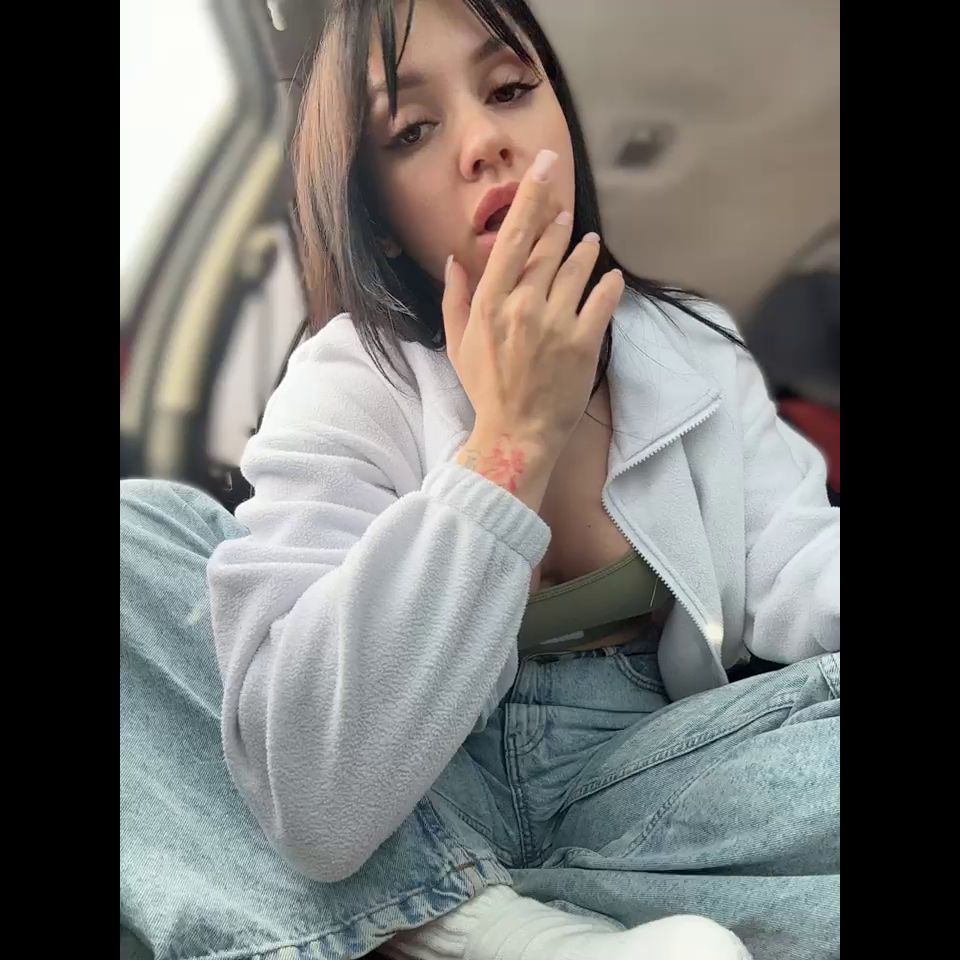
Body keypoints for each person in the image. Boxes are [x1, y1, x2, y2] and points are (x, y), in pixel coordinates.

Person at [120, 1, 839, 957]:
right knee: (138, 537)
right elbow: (317, 798)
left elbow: (803, 566)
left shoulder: (693, 347)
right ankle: (482, 925)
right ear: (380, 223)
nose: (485, 141)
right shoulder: (345, 382)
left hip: (652, 795)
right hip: (416, 794)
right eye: (413, 130)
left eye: (508, 90)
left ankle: (463, 917)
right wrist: (509, 444)